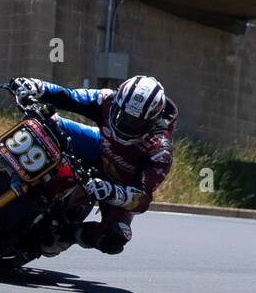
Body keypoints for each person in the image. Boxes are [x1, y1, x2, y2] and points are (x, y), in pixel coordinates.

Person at [9, 74, 176, 256]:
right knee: (44, 121)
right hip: (99, 147)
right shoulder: (106, 99)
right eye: (123, 116)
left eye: (135, 123)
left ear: (151, 121)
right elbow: (68, 96)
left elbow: (142, 198)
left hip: (119, 185)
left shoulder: (160, 150)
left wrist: (112, 192)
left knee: (116, 237)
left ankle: (69, 234)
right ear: (117, 102)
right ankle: (5, 165)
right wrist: (36, 86)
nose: (125, 124)